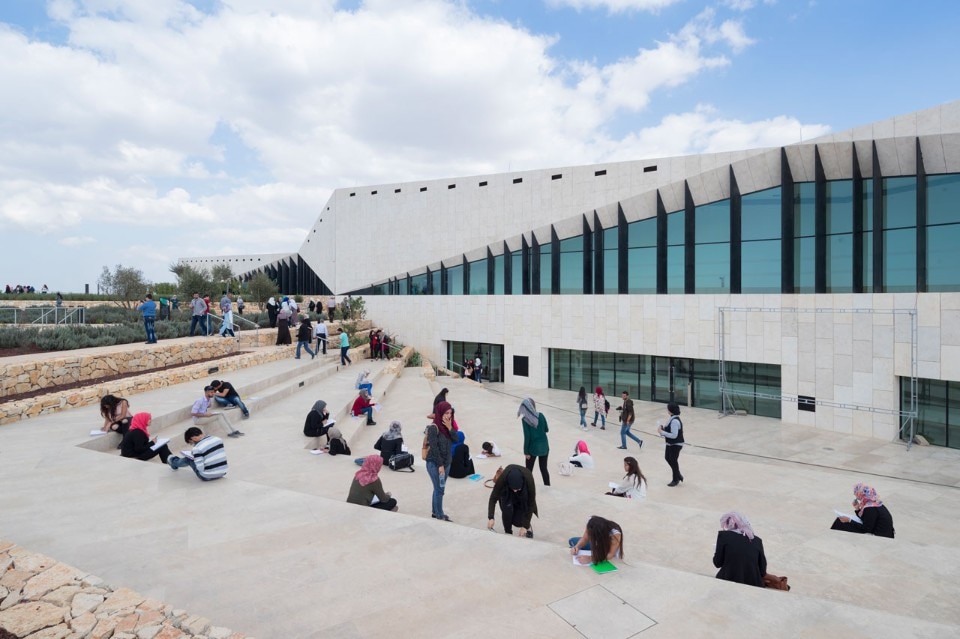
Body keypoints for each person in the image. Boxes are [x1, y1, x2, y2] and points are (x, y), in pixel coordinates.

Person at [713, 511, 767, 587]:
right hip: (754, 583)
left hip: (728, 579)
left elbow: (717, 563)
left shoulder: (724, 536)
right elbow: (762, 571)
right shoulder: (757, 541)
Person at [423, 401, 455, 521]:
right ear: (440, 412)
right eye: (446, 413)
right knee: (440, 490)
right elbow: (434, 448)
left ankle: (435, 512)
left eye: (450, 413)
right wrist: (440, 465)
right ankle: (440, 515)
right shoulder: (433, 428)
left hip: (447, 463)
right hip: (435, 463)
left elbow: (456, 439)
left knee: (437, 488)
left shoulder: (447, 426)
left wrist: (450, 427)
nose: (448, 416)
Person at [487, 465, 538, 537]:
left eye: (517, 489)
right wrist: (491, 517)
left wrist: (525, 526)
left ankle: (528, 527)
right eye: (514, 489)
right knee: (507, 513)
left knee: (518, 521)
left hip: (522, 496)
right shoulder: (503, 479)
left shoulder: (529, 479)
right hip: (507, 493)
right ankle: (508, 533)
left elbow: (531, 504)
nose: (515, 491)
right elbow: (493, 498)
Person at [830, 483, 895, 538]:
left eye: (856, 492)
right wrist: (858, 509)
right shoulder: (874, 503)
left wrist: (849, 520)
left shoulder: (870, 508)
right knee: (842, 521)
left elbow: (866, 529)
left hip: (881, 536)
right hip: (883, 532)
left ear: (861, 494)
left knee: (840, 522)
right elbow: (867, 520)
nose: (854, 494)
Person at [519, 397, 550, 486]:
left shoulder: (525, 420)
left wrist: (526, 451)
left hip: (532, 448)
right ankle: (547, 486)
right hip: (544, 447)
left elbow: (527, 436)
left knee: (528, 471)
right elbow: (546, 429)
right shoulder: (541, 415)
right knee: (544, 469)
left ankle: (528, 488)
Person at [657, 402, 684, 486]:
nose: (667, 410)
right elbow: (668, 429)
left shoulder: (675, 421)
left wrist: (662, 432)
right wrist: (662, 429)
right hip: (670, 443)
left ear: (671, 410)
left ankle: (675, 479)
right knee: (667, 458)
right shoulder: (672, 418)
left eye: (668, 408)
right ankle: (678, 474)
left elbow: (674, 435)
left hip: (676, 444)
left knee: (673, 461)